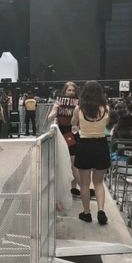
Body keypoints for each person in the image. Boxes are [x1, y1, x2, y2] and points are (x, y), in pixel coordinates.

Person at [72, 81, 110, 225]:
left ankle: (87, 213)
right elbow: (105, 125)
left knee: (84, 184)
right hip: (101, 145)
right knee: (99, 183)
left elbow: (73, 123)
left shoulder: (79, 109)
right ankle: (101, 210)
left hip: (84, 145)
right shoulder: (106, 108)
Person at [48, 81, 81, 196]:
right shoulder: (58, 103)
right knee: (60, 160)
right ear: (65, 91)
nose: (71, 92)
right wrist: (56, 108)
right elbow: (49, 118)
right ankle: (61, 187)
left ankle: (74, 187)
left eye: (73, 90)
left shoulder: (79, 104)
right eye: (69, 90)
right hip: (61, 133)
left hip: (72, 133)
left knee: (73, 161)